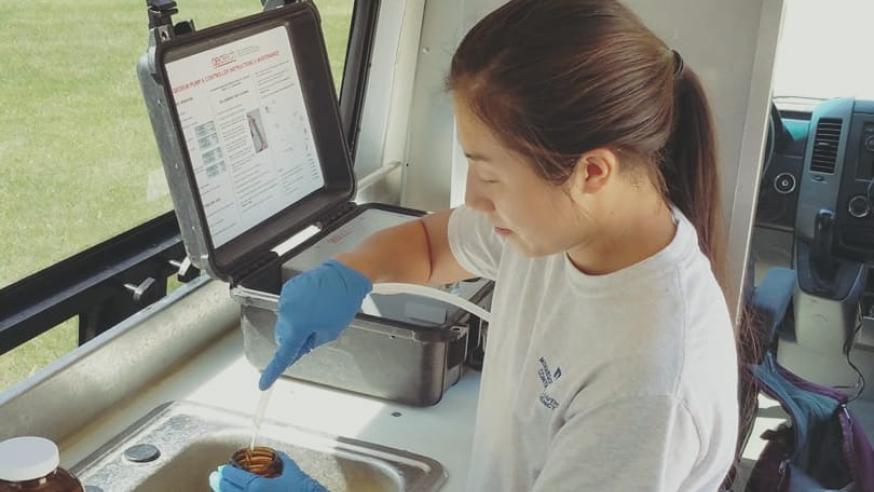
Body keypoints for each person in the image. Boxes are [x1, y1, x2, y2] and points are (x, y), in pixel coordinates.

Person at [210, 0, 748, 490]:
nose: (475, 199)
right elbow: (430, 242)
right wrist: (351, 271)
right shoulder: (563, 229)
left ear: (591, 172)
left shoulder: (648, 388)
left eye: (489, 176)